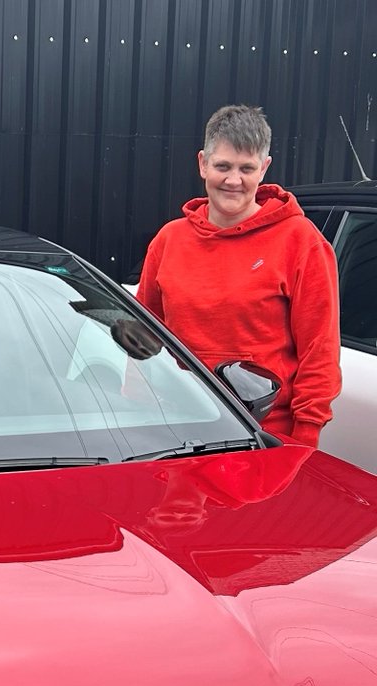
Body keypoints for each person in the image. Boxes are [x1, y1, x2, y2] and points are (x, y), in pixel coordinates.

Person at [136, 104, 341, 447]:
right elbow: (142, 338)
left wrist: (304, 439)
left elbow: (319, 352)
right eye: (223, 166)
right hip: (176, 434)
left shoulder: (300, 242)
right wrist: (137, 407)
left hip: (264, 436)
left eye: (247, 168)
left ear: (264, 168)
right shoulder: (169, 240)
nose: (234, 180)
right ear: (203, 163)